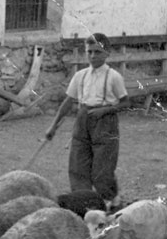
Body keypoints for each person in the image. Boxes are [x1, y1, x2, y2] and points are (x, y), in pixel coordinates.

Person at [45, 33, 131, 211]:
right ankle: (83, 203)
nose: (92, 56)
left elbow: (125, 103)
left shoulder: (114, 76)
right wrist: (53, 126)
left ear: (106, 53)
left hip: (105, 122)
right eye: (89, 52)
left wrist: (105, 110)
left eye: (97, 52)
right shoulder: (80, 76)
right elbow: (68, 102)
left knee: (102, 170)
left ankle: (110, 201)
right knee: (77, 166)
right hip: (83, 119)